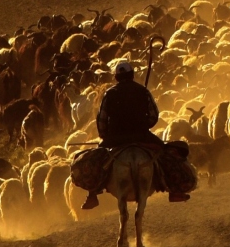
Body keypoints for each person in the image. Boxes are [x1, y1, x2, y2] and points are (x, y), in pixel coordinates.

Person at [80, 62, 191, 209]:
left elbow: (102, 119)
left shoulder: (109, 94)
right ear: (132, 75)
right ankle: (174, 191)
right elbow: (154, 116)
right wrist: (144, 125)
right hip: (142, 136)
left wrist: (105, 136)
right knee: (164, 153)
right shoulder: (143, 91)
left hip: (115, 138)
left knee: (97, 160)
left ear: (116, 77)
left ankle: (93, 194)